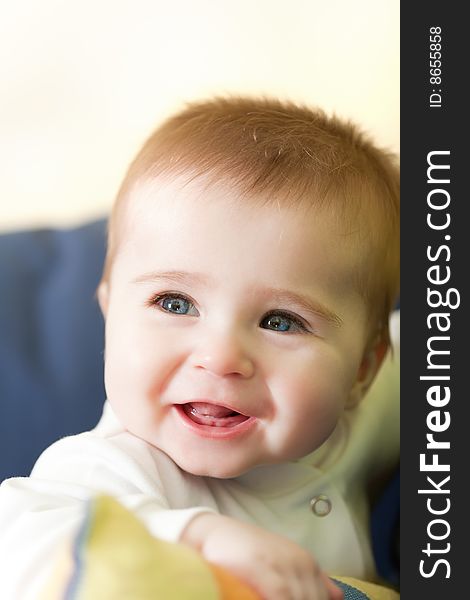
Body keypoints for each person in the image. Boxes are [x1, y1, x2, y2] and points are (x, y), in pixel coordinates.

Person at [0, 97, 400, 600]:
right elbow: (22, 541)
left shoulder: (370, 406)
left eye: (281, 321)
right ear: (109, 314)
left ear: (363, 369)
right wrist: (195, 535)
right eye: (175, 303)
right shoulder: (117, 469)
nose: (221, 357)